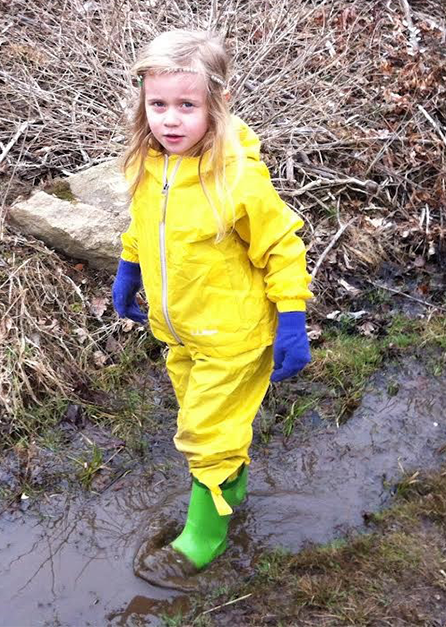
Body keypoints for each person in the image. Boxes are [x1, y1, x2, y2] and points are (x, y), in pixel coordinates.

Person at [111, 29, 313, 588]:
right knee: (206, 421)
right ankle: (231, 482)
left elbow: (281, 246)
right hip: (180, 331)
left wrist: (292, 319)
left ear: (215, 104)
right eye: (158, 105)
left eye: (187, 105)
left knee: (203, 432)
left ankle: (206, 534)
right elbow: (142, 227)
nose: (170, 120)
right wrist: (129, 269)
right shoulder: (147, 165)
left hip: (234, 334)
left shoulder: (237, 178)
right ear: (143, 103)